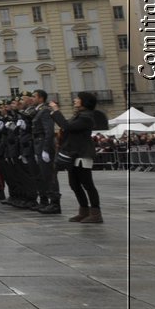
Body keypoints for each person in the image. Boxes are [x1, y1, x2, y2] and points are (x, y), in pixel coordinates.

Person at [50, 91, 109, 224]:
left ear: (85, 102)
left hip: (83, 154)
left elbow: (67, 126)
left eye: (78, 98)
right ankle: (83, 211)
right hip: (73, 153)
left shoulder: (86, 117)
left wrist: (56, 110)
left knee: (87, 184)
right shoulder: (79, 115)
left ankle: (96, 213)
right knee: (74, 184)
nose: (75, 100)